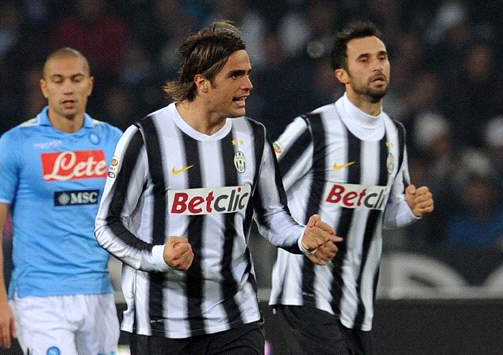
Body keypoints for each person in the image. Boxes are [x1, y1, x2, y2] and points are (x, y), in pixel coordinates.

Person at [95, 21, 342, 355]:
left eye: (249, 73)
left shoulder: (253, 138)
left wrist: (302, 238)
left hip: (236, 318)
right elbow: (107, 225)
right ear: (202, 82)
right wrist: (158, 256)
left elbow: (270, 214)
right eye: (236, 75)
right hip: (162, 323)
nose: (249, 85)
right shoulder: (146, 138)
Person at [269, 21, 434, 355]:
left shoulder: (394, 134)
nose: (377, 66)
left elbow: (386, 212)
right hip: (305, 293)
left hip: (357, 304)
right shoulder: (313, 129)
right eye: (364, 59)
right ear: (341, 74)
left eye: (382, 57)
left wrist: (411, 209)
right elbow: (263, 195)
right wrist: (301, 238)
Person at [0, 47, 122, 354]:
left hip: (98, 292)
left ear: (90, 85)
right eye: (58, 80)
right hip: (38, 297)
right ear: (44, 87)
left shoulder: (114, 141)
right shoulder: (16, 143)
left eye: (76, 79)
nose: (67, 88)